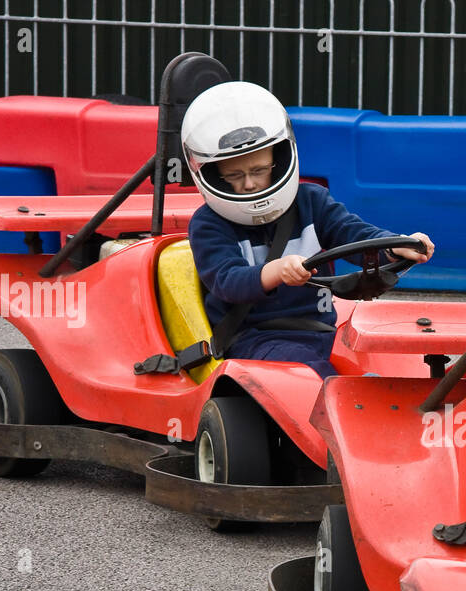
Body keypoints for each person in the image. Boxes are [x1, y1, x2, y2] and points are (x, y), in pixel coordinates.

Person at [181, 81, 434, 377]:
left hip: (320, 331)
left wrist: (393, 246)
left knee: (397, 362)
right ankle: (348, 406)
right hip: (253, 339)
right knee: (309, 373)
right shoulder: (208, 223)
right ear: (214, 175)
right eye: (235, 175)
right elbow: (227, 281)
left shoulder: (311, 201)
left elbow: (354, 234)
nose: (249, 184)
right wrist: (277, 271)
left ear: (278, 159)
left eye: (259, 171)